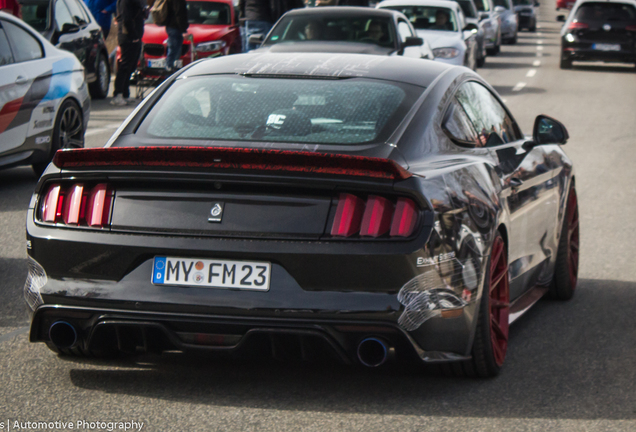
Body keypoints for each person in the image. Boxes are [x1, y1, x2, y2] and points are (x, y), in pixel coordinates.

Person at [112, 0, 146, 105]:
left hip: (135, 36)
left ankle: (125, 94)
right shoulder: (126, 2)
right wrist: (133, 35)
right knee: (125, 66)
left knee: (131, 66)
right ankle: (118, 94)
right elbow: (126, 19)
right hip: (128, 37)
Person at [239, 0, 303, 52]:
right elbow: (274, 5)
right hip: (263, 17)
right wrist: (276, 21)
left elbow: (241, 4)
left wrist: (243, 16)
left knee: (250, 46)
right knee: (263, 48)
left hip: (249, 18)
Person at [164, 0, 188, 72]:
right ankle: (169, 69)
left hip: (171, 27)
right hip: (175, 28)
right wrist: (183, 30)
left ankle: (170, 68)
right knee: (174, 50)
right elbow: (179, 14)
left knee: (174, 50)